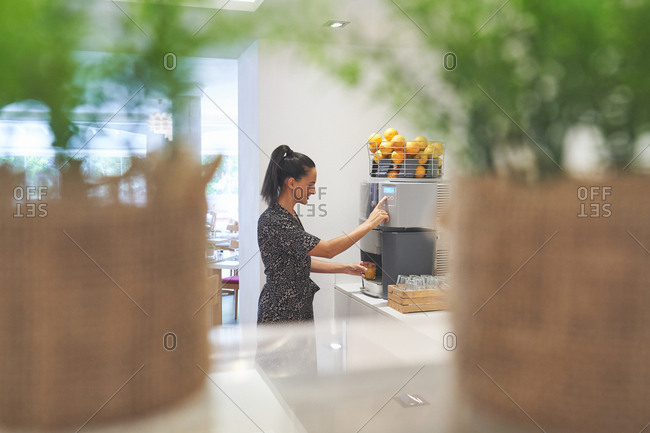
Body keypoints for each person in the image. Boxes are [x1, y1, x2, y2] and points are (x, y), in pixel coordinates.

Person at [257, 145, 389, 324]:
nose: (313, 191)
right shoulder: (275, 220)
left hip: (296, 305)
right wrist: (369, 224)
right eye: (310, 185)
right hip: (282, 310)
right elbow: (328, 250)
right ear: (291, 183)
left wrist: (345, 268)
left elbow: (298, 262)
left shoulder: (289, 215)